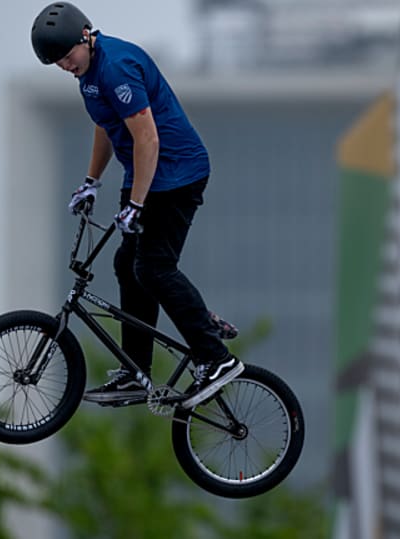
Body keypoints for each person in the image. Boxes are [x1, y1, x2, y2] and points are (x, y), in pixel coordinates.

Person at [31, 2, 242, 409]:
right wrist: (91, 182)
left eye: (67, 56)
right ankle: (136, 371)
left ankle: (215, 358)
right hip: (148, 177)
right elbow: (106, 126)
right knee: (127, 264)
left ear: (85, 37)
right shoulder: (89, 75)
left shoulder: (117, 66)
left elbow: (148, 140)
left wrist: (136, 205)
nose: (64, 65)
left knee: (153, 266)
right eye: (56, 62)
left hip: (178, 173)